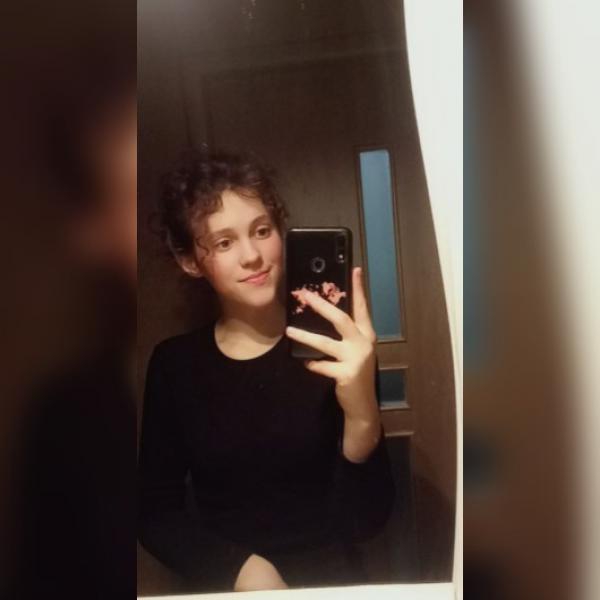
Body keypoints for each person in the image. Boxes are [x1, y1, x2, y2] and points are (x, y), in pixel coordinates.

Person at [138, 150, 395, 592]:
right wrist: (241, 569)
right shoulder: (174, 365)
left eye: (262, 231)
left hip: (332, 586)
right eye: (224, 243)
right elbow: (154, 513)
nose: (252, 256)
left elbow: (367, 522)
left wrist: (363, 417)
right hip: (233, 587)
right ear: (190, 260)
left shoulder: (340, 350)